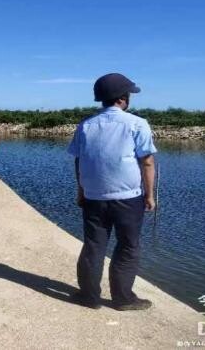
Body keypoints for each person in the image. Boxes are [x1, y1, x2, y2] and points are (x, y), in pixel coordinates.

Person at [67, 73, 157, 311]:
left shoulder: (85, 125)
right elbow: (147, 161)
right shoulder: (137, 123)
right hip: (129, 198)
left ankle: (88, 296)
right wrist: (149, 195)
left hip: (93, 197)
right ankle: (123, 298)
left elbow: (79, 161)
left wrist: (81, 190)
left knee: (93, 246)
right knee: (128, 246)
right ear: (122, 98)